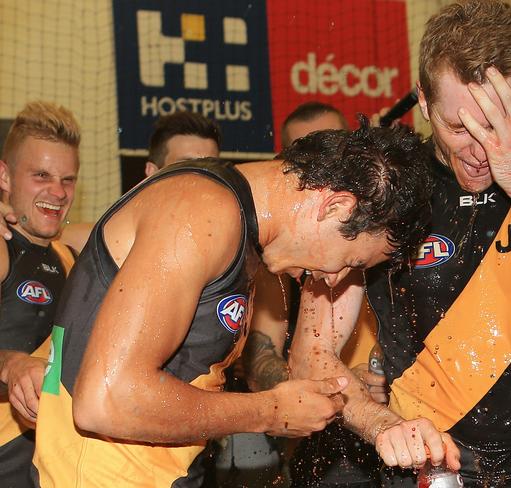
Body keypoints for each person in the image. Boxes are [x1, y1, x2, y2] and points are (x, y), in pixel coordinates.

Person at [290, 1, 511, 487]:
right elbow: (311, 355)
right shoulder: (384, 183)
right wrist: (383, 425)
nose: (482, 152)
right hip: (431, 463)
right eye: (459, 128)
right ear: (422, 101)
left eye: (498, 125)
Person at [30, 117, 443, 487]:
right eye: (351, 260)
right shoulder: (200, 212)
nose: (334, 277)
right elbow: (105, 401)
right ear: (335, 206)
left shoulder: (234, 222)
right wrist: (268, 410)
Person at [243, 101, 386, 487]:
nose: (328, 174)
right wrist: (335, 388)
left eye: (336, 152)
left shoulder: (383, 233)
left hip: (409, 422)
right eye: (310, 157)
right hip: (327, 445)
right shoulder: (274, 261)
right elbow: (259, 361)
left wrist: (396, 376)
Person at [0, 101, 80, 488]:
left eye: (68, 179)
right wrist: (10, 364)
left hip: (42, 470)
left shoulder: (69, 254)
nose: (58, 192)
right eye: (41, 175)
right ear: (5, 176)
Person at [55, 110, 223, 253]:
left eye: (210, 167)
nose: (201, 179)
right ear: (152, 174)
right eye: (186, 167)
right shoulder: (94, 243)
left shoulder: (231, 248)